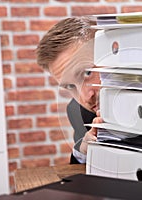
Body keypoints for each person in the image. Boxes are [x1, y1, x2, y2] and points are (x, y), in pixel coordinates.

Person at [36, 16, 102, 164]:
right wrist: (84, 151)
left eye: (87, 73)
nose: (85, 97)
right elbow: (79, 174)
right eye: (70, 86)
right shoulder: (78, 111)